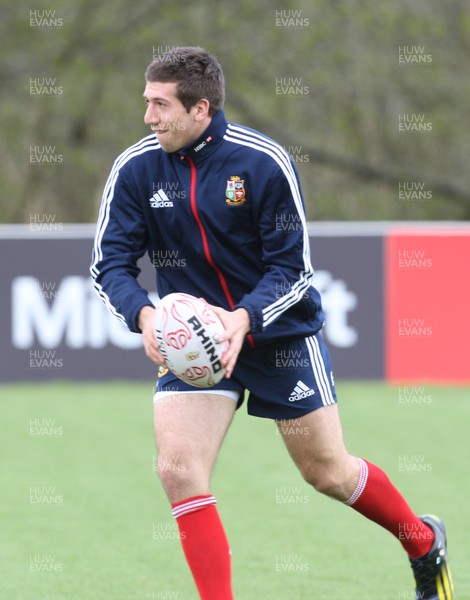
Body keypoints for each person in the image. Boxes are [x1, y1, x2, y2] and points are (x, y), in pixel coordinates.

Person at [90, 47, 453, 600]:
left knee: (328, 473)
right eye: (148, 103)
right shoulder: (136, 169)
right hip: (195, 346)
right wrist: (144, 316)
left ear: (200, 108)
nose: (149, 117)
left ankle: (422, 542)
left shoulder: (262, 163)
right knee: (178, 469)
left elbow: (295, 268)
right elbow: (109, 263)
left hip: (277, 337)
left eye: (161, 105)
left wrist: (245, 318)